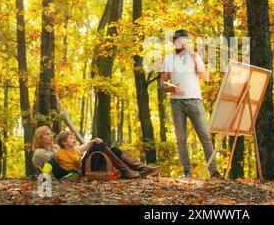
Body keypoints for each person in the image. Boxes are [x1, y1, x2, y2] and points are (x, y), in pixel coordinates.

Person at [161, 29, 223, 179]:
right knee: (181, 139)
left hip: (195, 101)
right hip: (177, 103)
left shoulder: (195, 57)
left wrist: (195, 59)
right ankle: (186, 172)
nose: (181, 42)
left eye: (183, 40)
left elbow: (206, 78)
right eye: (178, 40)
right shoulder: (168, 60)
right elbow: (162, 84)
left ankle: (213, 171)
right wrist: (171, 88)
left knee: (204, 137)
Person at [32, 126, 161, 180]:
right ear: (40, 138)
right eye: (47, 135)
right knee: (100, 146)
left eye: (50, 134)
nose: (50, 136)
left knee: (112, 149)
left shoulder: (56, 147)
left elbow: (76, 151)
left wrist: (92, 142)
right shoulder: (39, 153)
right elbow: (47, 168)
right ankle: (128, 171)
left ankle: (141, 168)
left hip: (79, 166)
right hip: (75, 172)